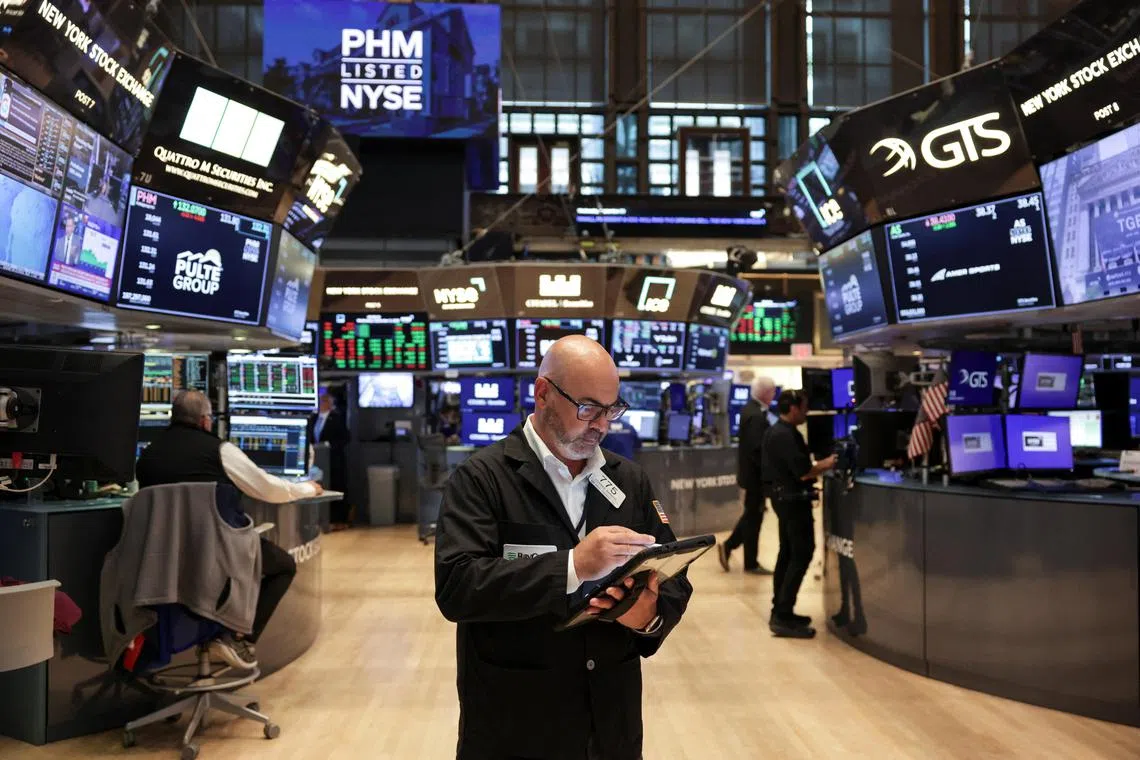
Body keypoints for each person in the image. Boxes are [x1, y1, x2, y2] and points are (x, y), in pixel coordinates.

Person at [435, 336, 694, 760]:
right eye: (588, 408)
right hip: (516, 725)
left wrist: (647, 616)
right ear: (542, 393)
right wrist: (573, 566)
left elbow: (673, 575)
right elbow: (457, 586)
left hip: (609, 726)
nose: (602, 425)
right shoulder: (481, 478)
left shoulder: (629, 480)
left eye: (612, 409)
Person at [135, 390, 323, 669]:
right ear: (204, 420)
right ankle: (236, 637)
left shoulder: (147, 456)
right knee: (283, 565)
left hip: (163, 560)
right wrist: (306, 488)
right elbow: (268, 488)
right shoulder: (219, 451)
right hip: (217, 554)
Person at [761, 389, 836, 639]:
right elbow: (803, 472)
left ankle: (782, 610)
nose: (806, 412)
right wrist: (829, 463)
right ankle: (782, 615)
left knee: (788, 553)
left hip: (785, 500)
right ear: (793, 408)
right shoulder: (785, 435)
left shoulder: (778, 431)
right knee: (801, 553)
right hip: (793, 502)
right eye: (804, 408)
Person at [719, 375, 777, 574]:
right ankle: (732, 548)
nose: (774, 394)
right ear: (766, 392)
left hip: (752, 476)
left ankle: (747, 559)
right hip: (756, 478)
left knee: (753, 516)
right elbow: (757, 450)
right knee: (753, 517)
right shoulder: (756, 415)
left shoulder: (752, 410)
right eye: (772, 391)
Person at [308, 392, 350, 528]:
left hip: (333, 460)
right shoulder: (313, 418)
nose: (322, 403)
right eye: (321, 400)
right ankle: (318, 520)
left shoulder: (337, 418)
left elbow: (345, 438)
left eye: (325, 401)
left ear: (330, 404)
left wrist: (329, 445)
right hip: (316, 459)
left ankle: (338, 520)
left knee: (336, 486)